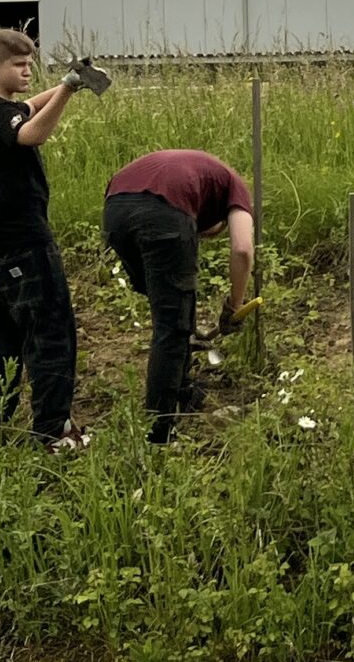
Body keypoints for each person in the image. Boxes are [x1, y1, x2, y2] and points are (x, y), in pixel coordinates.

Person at [0, 28, 99, 448]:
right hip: (22, 240)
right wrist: (66, 89)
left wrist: (68, 85)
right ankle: (53, 431)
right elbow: (31, 133)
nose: (28, 71)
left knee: (1, 337)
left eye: (30, 64)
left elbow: (25, 109)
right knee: (50, 333)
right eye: (19, 66)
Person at [102, 148, 256, 442]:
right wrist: (234, 306)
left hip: (115, 211)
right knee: (172, 327)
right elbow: (242, 249)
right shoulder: (236, 189)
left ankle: (183, 391)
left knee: (173, 309)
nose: (202, 236)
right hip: (162, 213)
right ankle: (160, 431)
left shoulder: (198, 171)